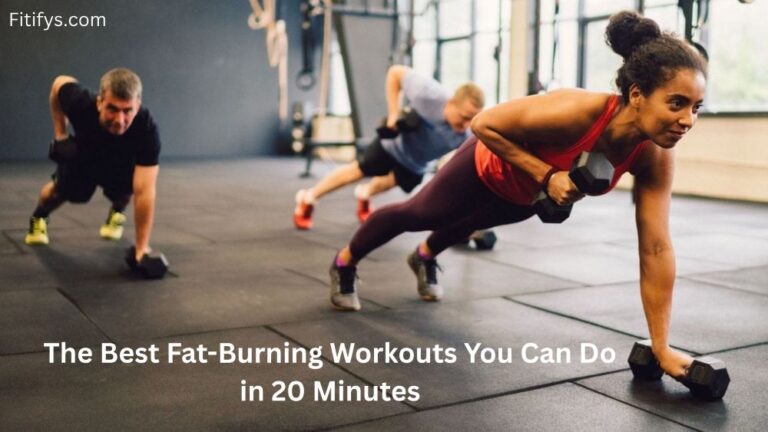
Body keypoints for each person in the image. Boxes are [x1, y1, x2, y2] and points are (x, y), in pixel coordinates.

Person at [326, 11, 707, 380]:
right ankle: (345, 263)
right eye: (677, 103)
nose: (688, 120)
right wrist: (547, 175)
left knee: (471, 223)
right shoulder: (578, 110)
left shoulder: (654, 157)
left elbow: (655, 248)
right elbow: (483, 123)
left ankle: (425, 256)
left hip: (523, 197)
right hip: (483, 167)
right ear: (637, 94)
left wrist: (662, 345)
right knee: (421, 213)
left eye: (696, 107)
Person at [293, 65, 484, 229]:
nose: (467, 124)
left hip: (416, 163)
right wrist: (393, 113)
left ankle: (364, 194)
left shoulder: (470, 133)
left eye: (472, 119)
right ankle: (308, 198)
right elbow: (395, 72)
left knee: (388, 183)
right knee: (357, 171)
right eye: (464, 117)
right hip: (394, 144)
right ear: (451, 103)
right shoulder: (429, 93)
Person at [25, 68, 162, 264]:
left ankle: (117, 212)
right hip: (84, 157)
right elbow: (59, 83)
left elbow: (145, 191)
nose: (119, 120)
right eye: (112, 109)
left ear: (137, 106)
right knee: (59, 193)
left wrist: (141, 248)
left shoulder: (147, 129)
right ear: (99, 102)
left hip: (120, 162)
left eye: (127, 110)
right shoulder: (80, 103)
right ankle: (39, 217)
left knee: (128, 189)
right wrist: (60, 134)